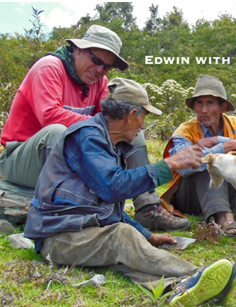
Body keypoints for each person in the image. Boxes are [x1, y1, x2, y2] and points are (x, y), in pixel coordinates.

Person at [23, 78, 236, 306]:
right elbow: (114, 187)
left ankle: (179, 290)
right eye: (143, 117)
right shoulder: (87, 137)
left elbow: (106, 207)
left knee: (125, 261)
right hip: (59, 236)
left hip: (79, 233)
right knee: (121, 237)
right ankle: (197, 274)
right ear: (131, 115)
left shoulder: (108, 142)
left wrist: (147, 235)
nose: (143, 126)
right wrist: (170, 165)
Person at [0, 24, 189, 231]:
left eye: (106, 66)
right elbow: (49, 116)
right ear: (78, 49)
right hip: (19, 159)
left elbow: (111, 123)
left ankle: (148, 208)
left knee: (130, 131)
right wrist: (98, 131)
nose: (100, 70)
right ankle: (63, 211)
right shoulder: (49, 67)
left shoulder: (100, 82)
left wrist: (121, 130)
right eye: (96, 61)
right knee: (59, 133)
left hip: (66, 161)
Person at [160, 75, 236, 237]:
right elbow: (183, 166)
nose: (203, 110)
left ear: (222, 107)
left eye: (210, 103)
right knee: (209, 163)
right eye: (199, 103)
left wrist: (219, 141)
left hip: (232, 192)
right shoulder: (184, 132)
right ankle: (224, 217)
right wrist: (227, 146)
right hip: (191, 197)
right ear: (194, 107)